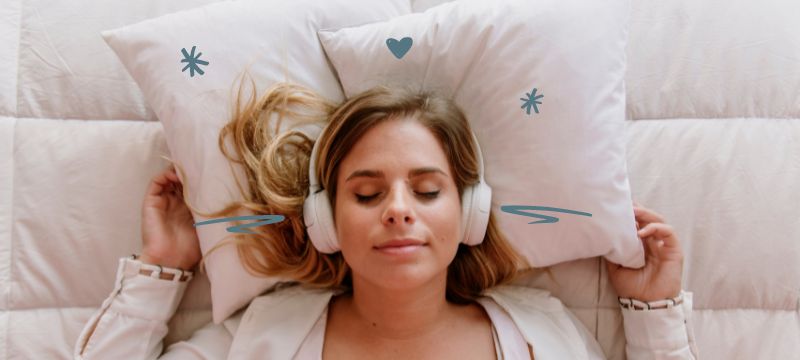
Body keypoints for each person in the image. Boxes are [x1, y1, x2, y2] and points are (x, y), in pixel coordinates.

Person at [74, 79, 698, 359]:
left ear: (470, 212)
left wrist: (651, 317)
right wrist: (162, 272)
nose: (398, 209)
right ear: (325, 220)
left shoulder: (543, 333)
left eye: (428, 190)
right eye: (367, 195)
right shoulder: (264, 334)